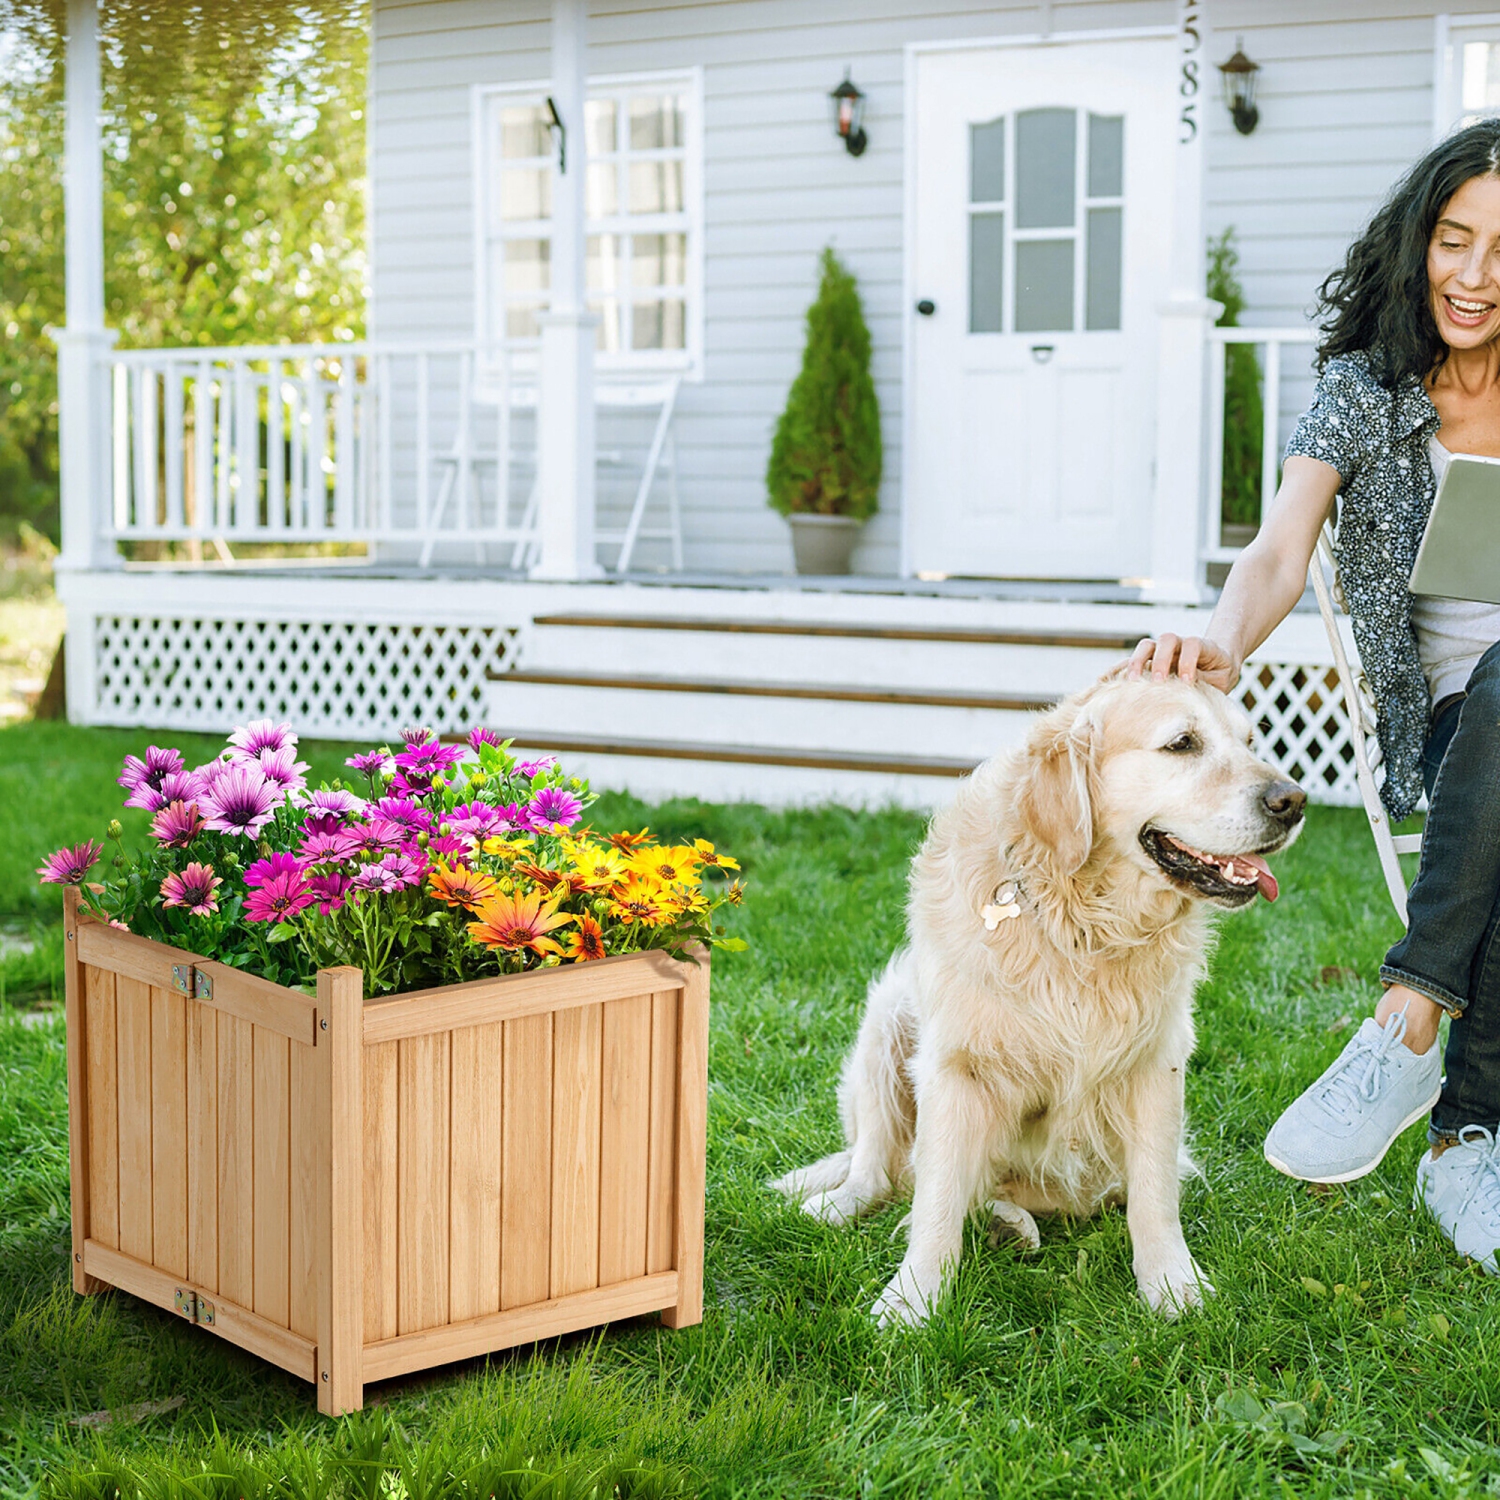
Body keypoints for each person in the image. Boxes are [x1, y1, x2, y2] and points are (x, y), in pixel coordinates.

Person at [1130, 119, 1500, 1273]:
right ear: (1418, 241)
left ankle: (1417, 1037)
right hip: (1457, 722)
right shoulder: (1364, 390)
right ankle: (1465, 1133)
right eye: (1456, 240)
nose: (1476, 274)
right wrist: (1221, 646)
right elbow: (1280, 547)